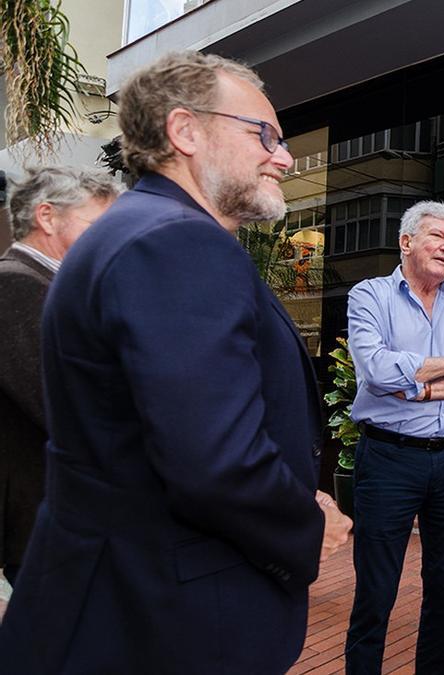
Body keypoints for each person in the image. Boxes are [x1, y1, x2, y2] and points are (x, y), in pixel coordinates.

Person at [0, 51, 352, 674]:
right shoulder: (176, 240)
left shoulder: (141, 231)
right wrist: (307, 523)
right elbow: (214, 460)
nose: (285, 156)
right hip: (166, 618)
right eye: (263, 134)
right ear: (185, 131)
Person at [344, 200, 444, 674]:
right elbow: (376, 369)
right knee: (376, 589)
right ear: (407, 241)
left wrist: (419, 386)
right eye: (438, 237)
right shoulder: (369, 295)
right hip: (389, 459)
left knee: (443, 587)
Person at [0, 167, 122, 590]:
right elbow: (62, 405)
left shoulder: (49, 285)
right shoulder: (16, 284)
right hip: (43, 519)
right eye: (98, 225)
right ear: (47, 217)